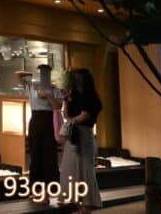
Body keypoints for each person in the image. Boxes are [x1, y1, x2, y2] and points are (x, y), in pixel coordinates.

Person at [17, 65, 63, 204]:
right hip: (35, 121)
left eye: (45, 72)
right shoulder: (32, 85)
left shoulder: (55, 89)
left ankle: (49, 192)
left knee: (49, 157)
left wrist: (48, 95)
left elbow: (58, 107)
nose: (43, 75)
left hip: (49, 122)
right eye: (41, 72)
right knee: (35, 156)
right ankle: (35, 190)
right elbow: (18, 74)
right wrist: (33, 74)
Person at [60, 68, 103, 213]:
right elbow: (66, 115)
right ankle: (71, 199)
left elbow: (85, 116)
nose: (76, 80)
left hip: (84, 135)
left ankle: (88, 203)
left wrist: (71, 121)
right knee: (69, 167)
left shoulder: (91, 97)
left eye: (79, 77)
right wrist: (66, 99)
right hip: (73, 134)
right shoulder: (74, 95)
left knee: (85, 169)